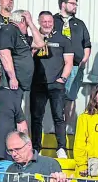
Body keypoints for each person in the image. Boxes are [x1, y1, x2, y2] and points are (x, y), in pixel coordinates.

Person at [30, 9, 72, 154]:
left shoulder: (64, 40)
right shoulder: (32, 39)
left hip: (56, 84)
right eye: (44, 21)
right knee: (36, 117)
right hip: (37, 83)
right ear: (39, 22)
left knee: (59, 117)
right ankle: (36, 148)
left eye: (50, 21)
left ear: (53, 22)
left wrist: (63, 79)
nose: (47, 24)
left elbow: (69, 62)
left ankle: (61, 148)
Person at [51, 0, 92, 125]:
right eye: (72, 3)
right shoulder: (52, 20)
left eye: (76, 4)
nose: (75, 6)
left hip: (75, 67)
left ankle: (66, 128)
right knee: (57, 97)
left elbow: (87, 44)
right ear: (63, 4)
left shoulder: (79, 24)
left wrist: (83, 61)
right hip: (57, 66)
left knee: (70, 97)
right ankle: (56, 126)